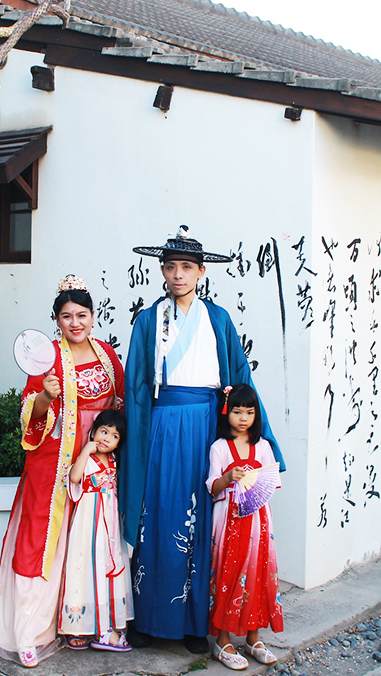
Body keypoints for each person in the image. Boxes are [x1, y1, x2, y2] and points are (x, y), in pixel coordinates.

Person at [121, 225, 285, 654]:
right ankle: (150, 619)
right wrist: (133, 437)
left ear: (201, 272)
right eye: (171, 267)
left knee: (200, 524)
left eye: (187, 268)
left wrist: (256, 438)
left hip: (206, 427)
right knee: (157, 515)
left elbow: (238, 381)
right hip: (162, 425)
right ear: (162, 270)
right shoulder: (148, 319)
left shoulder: (218, 319)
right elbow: (137, 384)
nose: (179, 275)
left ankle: (196, 623)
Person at [0, 275, 124, 668]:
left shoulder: (107, 355)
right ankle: (30, 632)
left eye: (82, 314)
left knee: (89, 539)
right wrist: (47, 395)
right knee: (41, 538)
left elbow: (118, 408)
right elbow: (29, 414)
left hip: (97, 463)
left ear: (94, 317)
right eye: (66, 316)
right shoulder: (45, 357)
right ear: (56, 320)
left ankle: (81, 624)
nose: (75, 322)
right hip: (54, 459)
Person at [206, 383, 284, 670]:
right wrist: (228, 477)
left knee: (258, 575)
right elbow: (212, 487)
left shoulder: (263, 446)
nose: (243, 418)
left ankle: (254, 637)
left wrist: (252, 482)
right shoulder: (219, 448)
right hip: (228, 520)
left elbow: (271, 482)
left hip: (258, 522)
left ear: (256, 415)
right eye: (237, 411)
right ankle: (223, 640)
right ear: (226, 412)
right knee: (226, 574)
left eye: (249, 412)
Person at [59, 409, 134, 653]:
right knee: (84, 569)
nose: (106, 439)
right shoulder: (89, 459)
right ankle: (77, 626)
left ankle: (106, 624)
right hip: (89, 522)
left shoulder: (113, 461)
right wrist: (86, 450)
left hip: (110, 523)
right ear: (93, 431)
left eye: (114, 436)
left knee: (105, 569)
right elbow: (75, 476)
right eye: (103, 431)